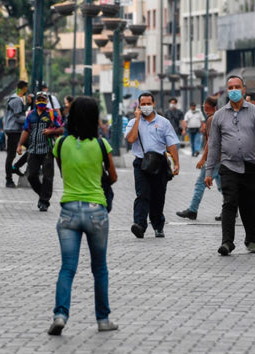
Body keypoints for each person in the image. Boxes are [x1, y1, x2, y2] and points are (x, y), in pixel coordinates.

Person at [48, 96, 118, 336]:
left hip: (68, 211)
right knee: (99, 269)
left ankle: (60, 314)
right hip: (96, 209)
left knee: (67, 268)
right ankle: (103, 319)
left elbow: (62, 172)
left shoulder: (61, 143)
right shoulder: (101, 145)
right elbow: (114, 177)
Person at [205, 75, 255, 256]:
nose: (234, 90)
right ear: (227, 91)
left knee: (249, 205)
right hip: (228, 166)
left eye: (237, 87)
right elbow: (213, 145)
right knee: (229, 203)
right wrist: (208, 171)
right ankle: (227, 242)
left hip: (249, 166)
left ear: (243, 89)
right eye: (231, 88)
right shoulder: (219, 116)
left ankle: (251, 239)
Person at [126, 92, 180, 238]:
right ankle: (139, 225)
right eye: (142, 104)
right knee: (142, 194)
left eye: (148, 103)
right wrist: (137, 119)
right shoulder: (133, 123)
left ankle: (158, 226)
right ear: (138, 106)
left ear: (154, 104)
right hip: (141, 163)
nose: (146, 107)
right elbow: (131, 139)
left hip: (159, 164)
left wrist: (176, 163)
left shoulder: (163, 122)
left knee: (158, 196)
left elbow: (172, 144)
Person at [176, 96, 221, 220]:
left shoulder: (211, 119)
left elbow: (211, 141)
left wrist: (203, 159)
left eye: (205, 107)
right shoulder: (218, 117)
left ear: (209, 106)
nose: (204, 109)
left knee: (200, 183)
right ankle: (231, 208)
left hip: (214, 158)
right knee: (223, 186)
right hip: (220, 157)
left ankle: (192, 209)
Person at [17, 92, 64, 211]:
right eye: (39, 99)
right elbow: (26, 130)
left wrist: (51, 131)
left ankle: (44, 201)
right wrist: (19, 145)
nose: (41, 101)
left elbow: (62, 129)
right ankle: (43, 195)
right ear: (36, 101)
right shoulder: (30, 115)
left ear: (47, 101)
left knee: (48, 177)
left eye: (44, 99)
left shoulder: (52, 114)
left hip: (47, 150)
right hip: (33, 150)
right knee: (31, 175)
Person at [3, 81, 31, 188]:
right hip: (13, 131)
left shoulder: (18, 100)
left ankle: (16, 167)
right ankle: (8, 179)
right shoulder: (15, 100)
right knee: (11, 155)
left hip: (17, 130)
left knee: (32, 148)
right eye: (26, 88)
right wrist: (31, 120)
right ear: (23, 88)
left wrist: (28, 104)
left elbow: (20, 112)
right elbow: (19, 117)